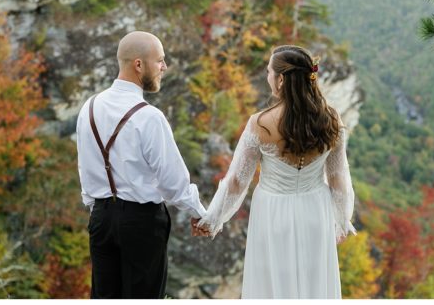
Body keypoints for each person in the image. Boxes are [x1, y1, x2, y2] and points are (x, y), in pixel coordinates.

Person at [195, 45, 355, 298]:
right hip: (316, 210)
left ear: (281, 80)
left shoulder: (260, 123)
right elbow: (338, 178)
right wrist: (342, 221)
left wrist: (214, 218)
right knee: (312, 283)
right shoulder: (332, 120)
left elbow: (237, 180)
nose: (267, 76)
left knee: (272, 284)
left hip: (272, 212)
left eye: (269, 71)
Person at [75, 31, 207, 298]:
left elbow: (85, 171)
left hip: (100, 218)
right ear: (139, 64)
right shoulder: (149, 117)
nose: (164, 67)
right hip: (141, 221)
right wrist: (200, 214)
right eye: (159, 60)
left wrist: (98, 209)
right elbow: (174, 184)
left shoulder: (88, 107)